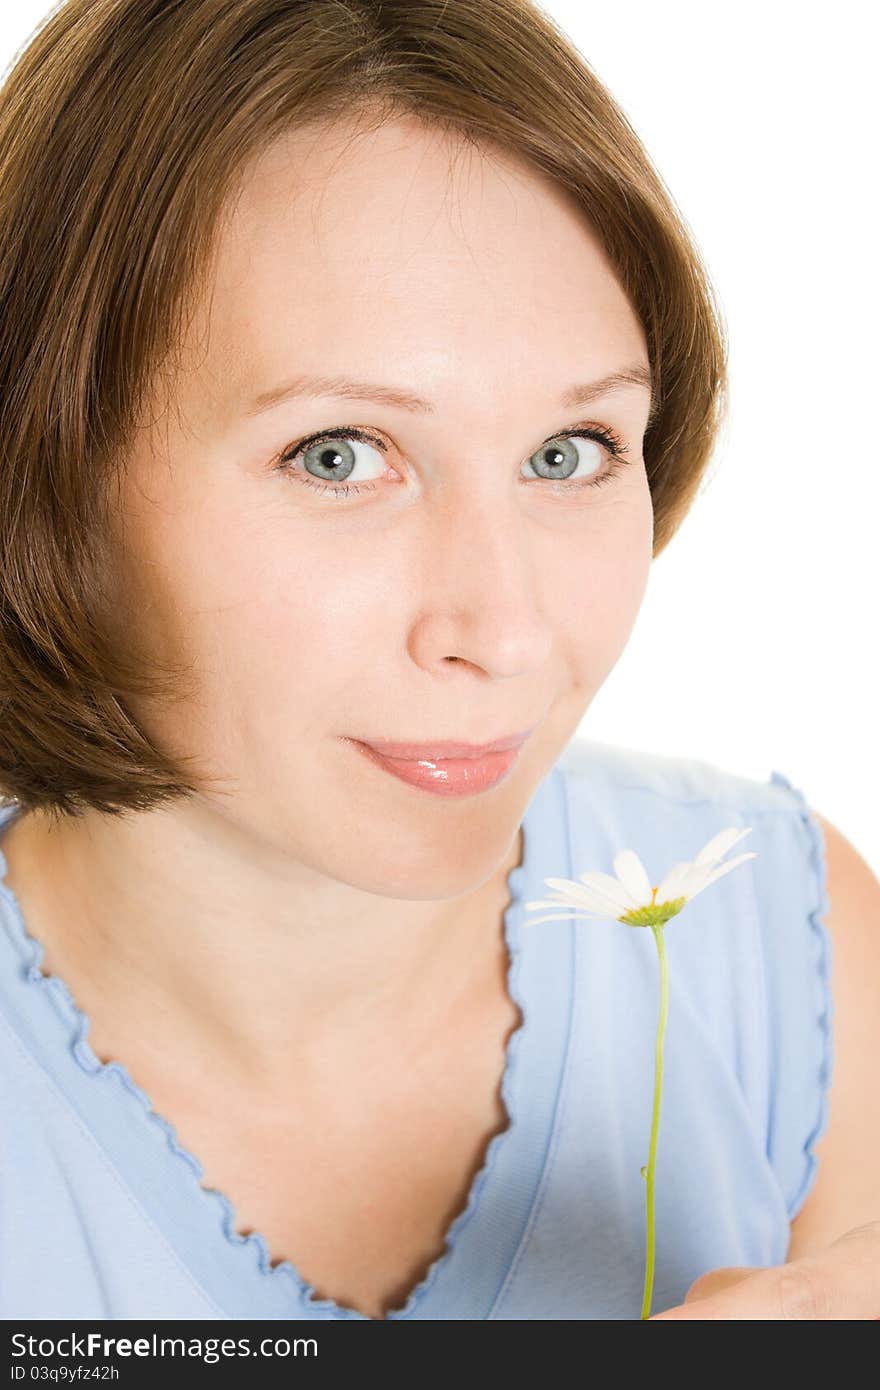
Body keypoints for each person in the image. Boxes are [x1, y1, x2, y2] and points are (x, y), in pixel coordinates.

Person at [0, 0, 877, 1323]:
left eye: (568, 451)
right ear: (50, 468)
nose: (508, 629)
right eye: (340, 453)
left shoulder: (780, 934)